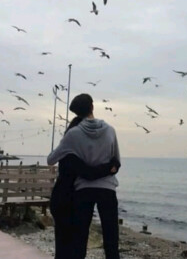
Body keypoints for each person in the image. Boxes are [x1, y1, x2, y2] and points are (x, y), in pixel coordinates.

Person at [48, 93, 121, 259]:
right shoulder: (110, 130)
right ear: (92, 107)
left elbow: (51, 159)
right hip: (107, 189)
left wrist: (71, 154)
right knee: (111, 238)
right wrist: (106, 169)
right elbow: (116, 162)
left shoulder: (73, 134)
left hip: (83, 189)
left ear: (76, 113)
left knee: (79, 241)